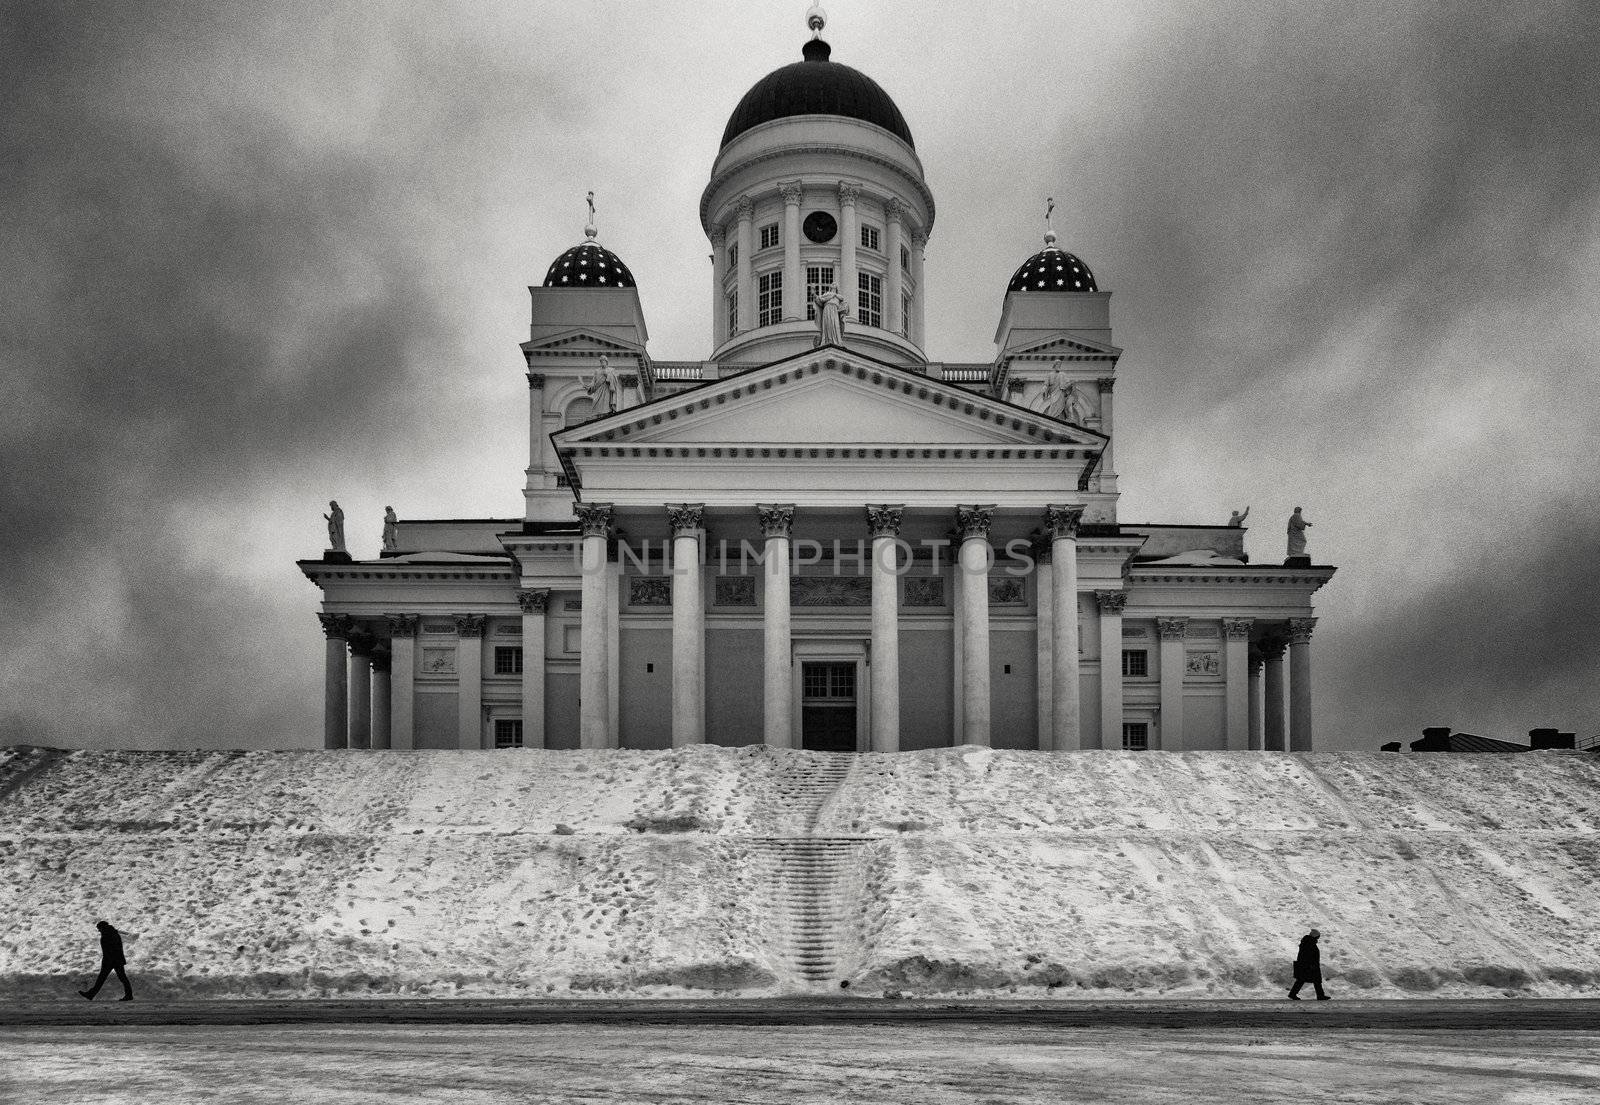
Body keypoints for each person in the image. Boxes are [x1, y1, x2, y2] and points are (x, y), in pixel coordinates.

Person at [78, 920, 133, 1002]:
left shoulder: (109, 934)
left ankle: (91, 994)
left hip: (111, 960)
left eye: (99, 929)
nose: (99, 931)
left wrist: (108, 960)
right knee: (120, 978)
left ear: (102, 928)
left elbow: (111, 949)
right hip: (115, 960)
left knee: (105, 978)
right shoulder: (111, 933)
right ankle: (129, 995)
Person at [1289, 928, 1328, 1000]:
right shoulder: (1310, 943)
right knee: (1313, 980)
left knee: (1304, 980)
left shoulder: (1308, 941)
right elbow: (1308, 954)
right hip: (1309, 965)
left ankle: (1292, 994)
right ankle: (1320, 995)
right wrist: (1311, 964)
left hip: (1308, 964)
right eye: (1318, 936)